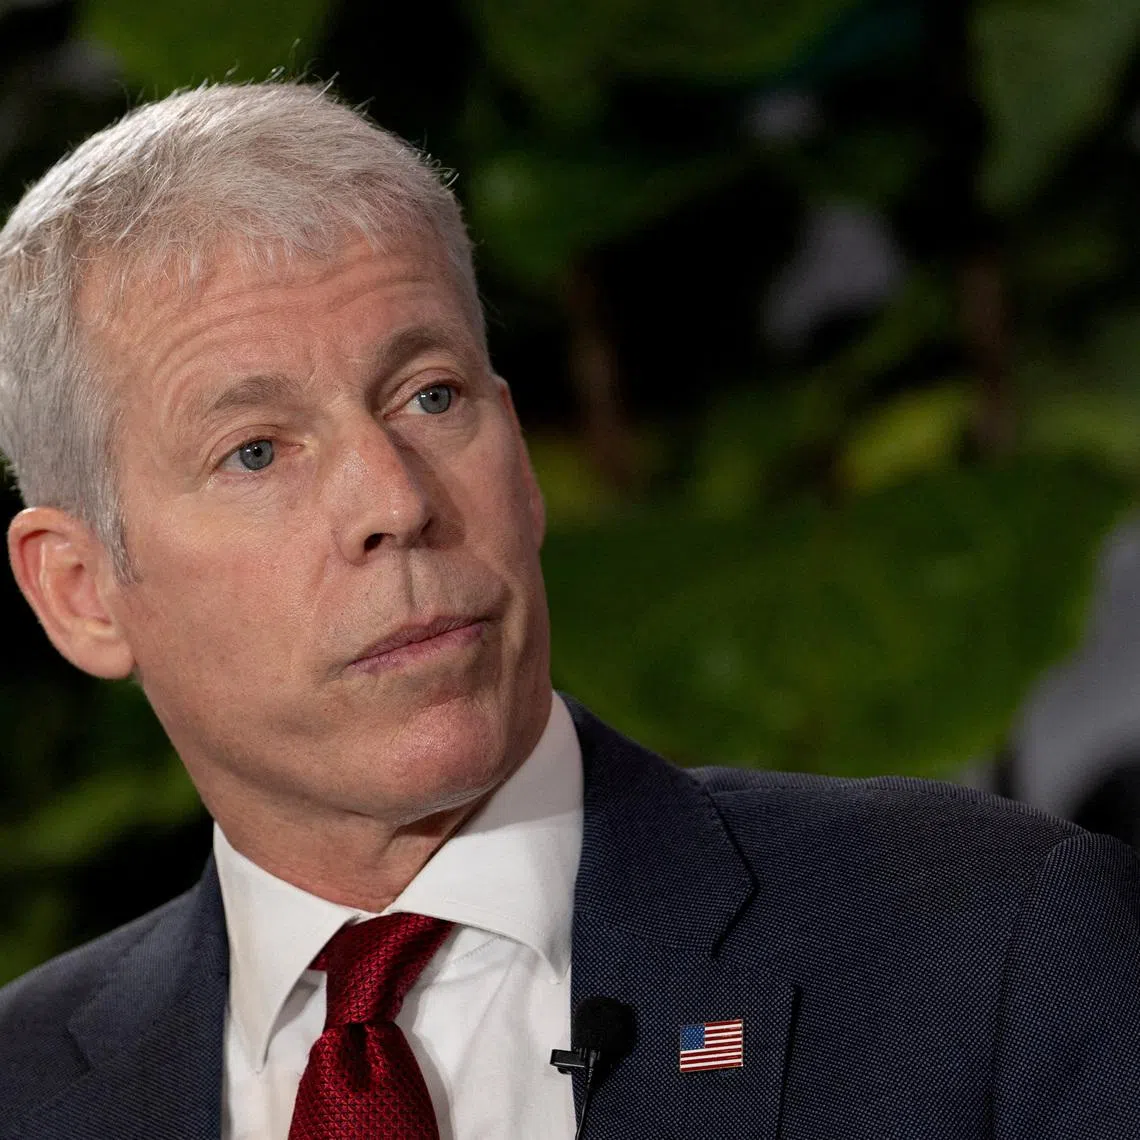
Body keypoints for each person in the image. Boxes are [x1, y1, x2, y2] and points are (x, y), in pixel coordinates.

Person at [0, 82, 1137, 1140]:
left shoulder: (995, 953)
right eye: (255, 452)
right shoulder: (26, 1086)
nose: (395, 500)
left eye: (431, 396)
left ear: (522, 461)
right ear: (82, 592)